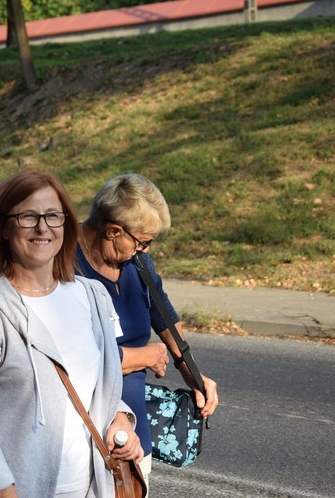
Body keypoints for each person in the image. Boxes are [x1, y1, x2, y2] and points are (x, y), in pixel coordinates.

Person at [0, 169, 143, 498]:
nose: (43, 227)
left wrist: (121, 417)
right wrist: (3, 490)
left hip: (90, 487)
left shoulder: (91, 295)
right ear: (3, 227)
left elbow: (100, 384)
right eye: (28, 216)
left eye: (53, 215)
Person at [75, 173, 219, 489]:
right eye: (142, 241)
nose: (145, 251)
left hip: (133, 435)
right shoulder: (62, 265)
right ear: (113, 231)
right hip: (79, 438)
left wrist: (191, 372)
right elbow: (77, 359)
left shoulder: (138, 263)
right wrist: (149, 354)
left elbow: (163, 314)